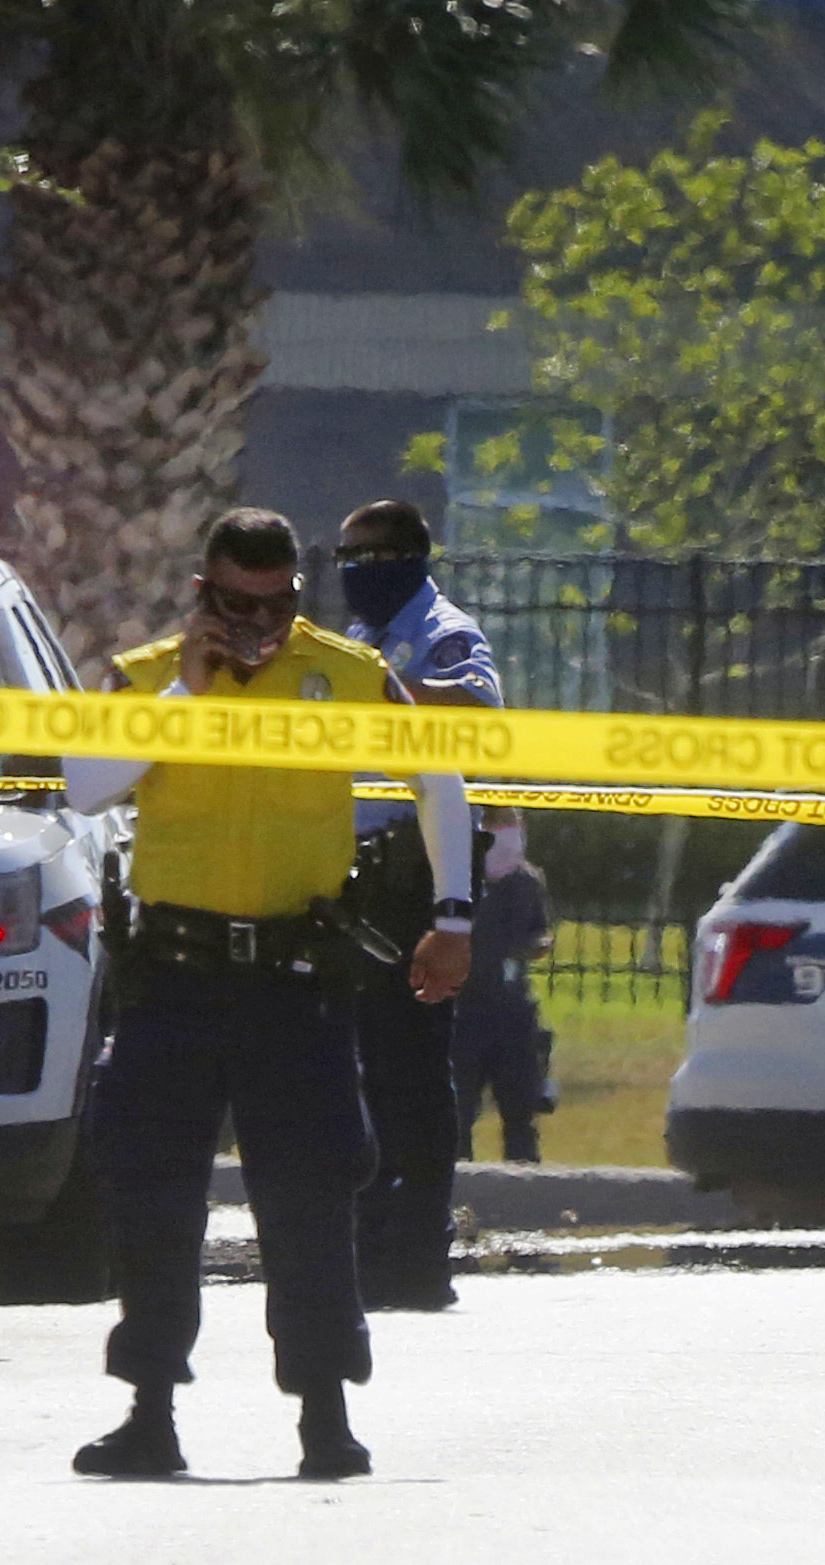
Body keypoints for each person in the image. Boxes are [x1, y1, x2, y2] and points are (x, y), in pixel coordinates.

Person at [63, 507, 472, 1481]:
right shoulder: (145, 675)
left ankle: (323, 1419)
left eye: (272, 602)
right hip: (173, 977)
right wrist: (184, 693)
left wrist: (452, 916)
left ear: (295, 594)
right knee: (152, 1193)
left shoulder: (339, 673)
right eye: (231, 601)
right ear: (201, 591)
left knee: (308, 1196)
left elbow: (439, 778)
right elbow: (83, 785)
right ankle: (148, 1412)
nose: (253, 621)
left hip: (294, 980)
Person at [337, 499, 497, 1311]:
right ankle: (372, 1243)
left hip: (413, 876)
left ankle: (419, 1252)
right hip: (353, 876)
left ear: (410, 557)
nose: (355, 571)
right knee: (357, 1071)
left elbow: (475, 714)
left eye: (370, 556)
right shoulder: (357, 641)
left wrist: (386, 692)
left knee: (411, 1071)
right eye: (345, 556)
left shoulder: (443, 630)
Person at [453, 808, 554, 1164]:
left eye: (514, 825)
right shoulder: (460, 879)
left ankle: (525, 1186)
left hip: (512, 1010)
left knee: (521, 1107)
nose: (509, 836)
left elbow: (538, 932)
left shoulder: (526, 881)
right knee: (459, 1109)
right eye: (501, 825)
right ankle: (457, 1186)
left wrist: (535, 946)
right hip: (464, 1009)